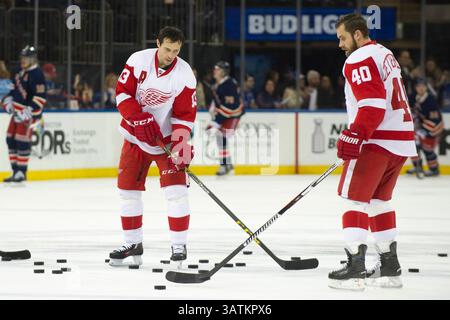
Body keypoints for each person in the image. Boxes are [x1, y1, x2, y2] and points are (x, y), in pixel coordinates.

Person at [329, 14, 416, 291]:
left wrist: (356, 134)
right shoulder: (384, 53)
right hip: (399, 139)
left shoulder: (358, 58)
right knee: (380, 201)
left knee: (353, 201)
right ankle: (390, 269)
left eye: (342, 38)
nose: (340, 45)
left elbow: (373, 104)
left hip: (375, 141)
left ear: (357, 34)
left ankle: (355, 270)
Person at [109, 26, 197, 266]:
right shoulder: (138, 61)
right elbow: (122, 94)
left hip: (166, 141)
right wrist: (138, 117)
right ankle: (132, 243)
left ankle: (179, 245)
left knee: (176, 193)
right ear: (158, 43)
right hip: (136, 136)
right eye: (167, 49)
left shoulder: (185, 74)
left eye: (176, 51)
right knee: (127, 192)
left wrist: (180, 144)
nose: (171, 55)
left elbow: (185, 115)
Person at [1, 45, 46, 183]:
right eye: (22, 57)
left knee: (22, 140)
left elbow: (40, 98)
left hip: (28, 114)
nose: (23, 60)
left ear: (33, 59)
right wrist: (7, 101)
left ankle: (22, 171)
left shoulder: (37, 74)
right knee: (10, 139)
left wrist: (27, 112)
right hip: (16, 112)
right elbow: (13, 89)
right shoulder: (18, 70)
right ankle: (15, 171)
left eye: (26, 58)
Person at [207, 61, 244, 176]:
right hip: (227, 114)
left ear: (223, 72)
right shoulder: (219, 83)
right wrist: (213, 109)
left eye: (217, 69)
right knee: (221, 138)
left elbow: (231, 107)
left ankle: (224, 165)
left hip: (233, 115)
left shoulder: (229, 85)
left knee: (221, 136)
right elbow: (219, 101)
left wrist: (216, 121)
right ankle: (227, 163)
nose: (215, 71)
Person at [406, 78, 444, 177]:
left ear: (426, 87)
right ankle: (417, 166)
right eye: (419, 86)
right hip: (421, 126)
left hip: (433, 127)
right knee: (413, 146)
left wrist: (424, 130)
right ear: (415, 88)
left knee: (427, 148)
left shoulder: (431, 100)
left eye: (423, 86)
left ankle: (434, 169)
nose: (421, 88)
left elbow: (435, 120)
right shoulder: (413, 97)